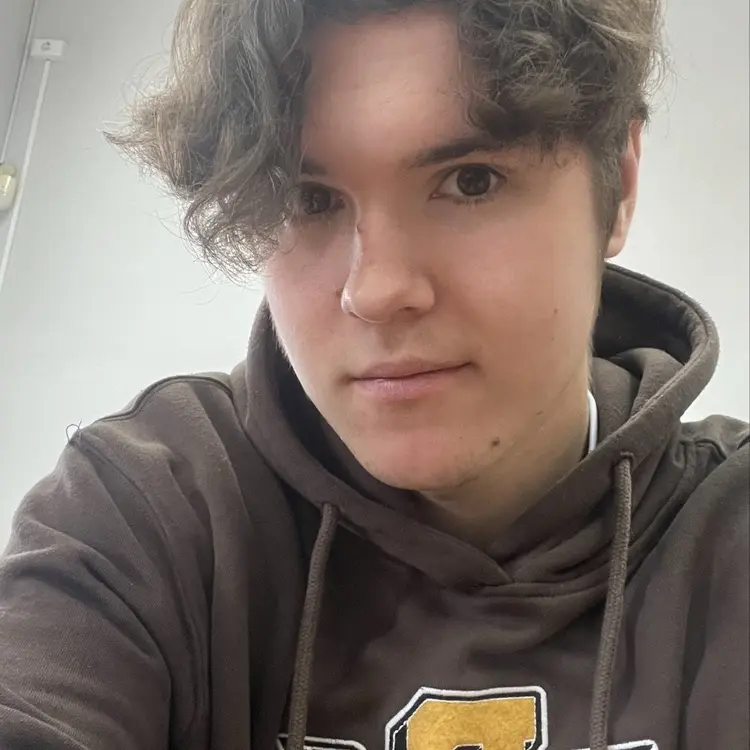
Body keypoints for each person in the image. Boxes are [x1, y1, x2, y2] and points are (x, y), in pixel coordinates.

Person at [1, 0, 747, 748]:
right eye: (309, 199)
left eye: (472, 181)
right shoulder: (156, 509)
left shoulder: (728, 535)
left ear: (618, 183)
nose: (377, 291)